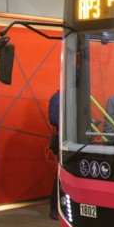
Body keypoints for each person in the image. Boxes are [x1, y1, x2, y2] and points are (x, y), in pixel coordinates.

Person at [48, 89, 60, 220]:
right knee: (60, 176)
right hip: (63, 140)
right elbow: (53, 118)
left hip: (75, 140)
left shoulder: (76, 95)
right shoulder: (56, 97)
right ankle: (54, 208)